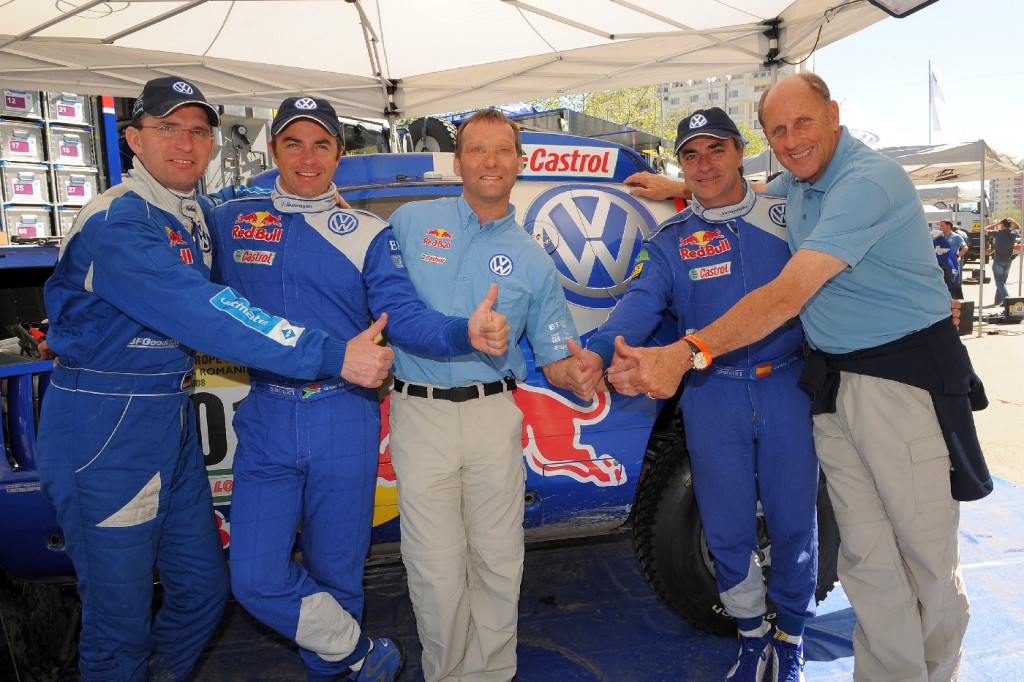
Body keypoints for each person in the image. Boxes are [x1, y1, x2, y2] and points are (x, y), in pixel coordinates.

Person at [611, 73, 989, 682]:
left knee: (923, 555)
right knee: (866, 558)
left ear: (834, 115)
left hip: (898, 381)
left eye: (803, 122)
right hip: (831, 386)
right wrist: (685, 186)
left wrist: (688, 352)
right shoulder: (801, 184)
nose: (791, 140)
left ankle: (932, 671)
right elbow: (742, 190)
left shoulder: (866, 181)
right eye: (778, 130)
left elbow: (787, 295)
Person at [35, 77, 366, 681]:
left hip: (171, 421)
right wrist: (329, 354)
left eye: (197, 131)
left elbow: (252, 210)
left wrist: (319, 202)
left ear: (213, 143)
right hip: (104, 430)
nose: (185, 144)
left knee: (201, 593)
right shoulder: (119, 221)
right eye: (167, 128)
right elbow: (204, 309)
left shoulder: (191, 212)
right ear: (134, 139)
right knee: (118, 628)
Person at [208, 96, 511, 682]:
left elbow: (404, 316)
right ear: (273, 150)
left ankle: (341, 671)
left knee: (338, 578)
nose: (307, 158)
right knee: (254, 578)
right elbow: (181, 281)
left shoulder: (368, 233)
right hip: (267, 417)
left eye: (321, 145)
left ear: (339, 155)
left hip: (343, 417)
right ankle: (359, 653)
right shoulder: (230, 218)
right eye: (293, 143)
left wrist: (463, 332)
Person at [580, 108, 817, 681]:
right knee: (726, 525)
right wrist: (597, 350)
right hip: (712, 396)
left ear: (740, 151)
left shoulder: (788, 214)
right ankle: (751, 636)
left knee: (794, 523)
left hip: (789, 388)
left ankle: (790, 638)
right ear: (681, 166)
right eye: (691, 154)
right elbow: (638, 305)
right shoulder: (669, 241)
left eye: (716, 149)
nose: (705, 164)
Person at [385, 108, 598, 681]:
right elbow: (378, 297)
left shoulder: (532, 257)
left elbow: (554, 355)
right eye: (477, 150)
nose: (490, 161)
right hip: (419, 413)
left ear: (519, 162)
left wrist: (578, 373)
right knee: (434, 569)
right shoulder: (410, 221)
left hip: (492, 415)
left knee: (499, 561)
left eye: (502, 150)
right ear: (457, 163)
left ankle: (492, 674)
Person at [984, 216, 1021, 306]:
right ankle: (998, 301)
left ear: (1002, 225)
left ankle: (1007, 299)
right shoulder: (1013, 233)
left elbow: (984, 230)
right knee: (1002, 282)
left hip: (998, 260)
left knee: (999, 281)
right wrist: (1013, 221)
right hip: (1008, 260)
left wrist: (995, 224)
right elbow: (1019, 227)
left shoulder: (998, 233)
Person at [934, 219, 967, 299]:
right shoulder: (941, 237)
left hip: (953, 262)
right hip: (943, 262)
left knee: (955, 280)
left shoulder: (956, 237)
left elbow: (965, 248)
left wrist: (957, 256)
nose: (940, 228)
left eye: (942, 226)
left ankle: (957, 297)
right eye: (940, 226)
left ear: (948, 226)